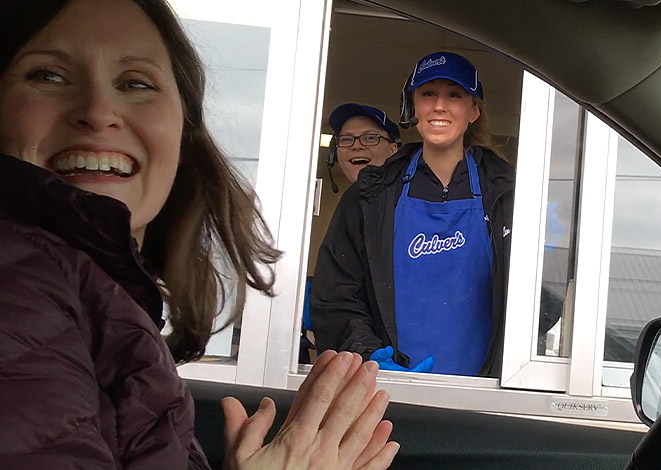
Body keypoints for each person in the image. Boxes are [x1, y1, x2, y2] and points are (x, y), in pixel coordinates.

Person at [0, 0, 397, 468]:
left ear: (184, 136)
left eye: (136, 84)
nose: (98, 111)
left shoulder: (97, 295)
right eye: (48, 75)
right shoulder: (19, 291)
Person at [311, 51, 516, 377]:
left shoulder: (509, 194)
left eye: (454, 95)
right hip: (389, 389)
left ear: (473, 111)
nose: (439, 105)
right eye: (428, 94)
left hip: (484, 395)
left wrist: (547, 257)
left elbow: (539, 304)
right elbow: (335, 295)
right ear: (412, 107)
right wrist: (367, 355)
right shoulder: (371, 195)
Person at [328, 103, 401, 185]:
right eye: (347, 139)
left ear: (393, 150)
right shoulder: (349, 197)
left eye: (370, 138)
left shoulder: (411, 195)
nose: (356, 146)